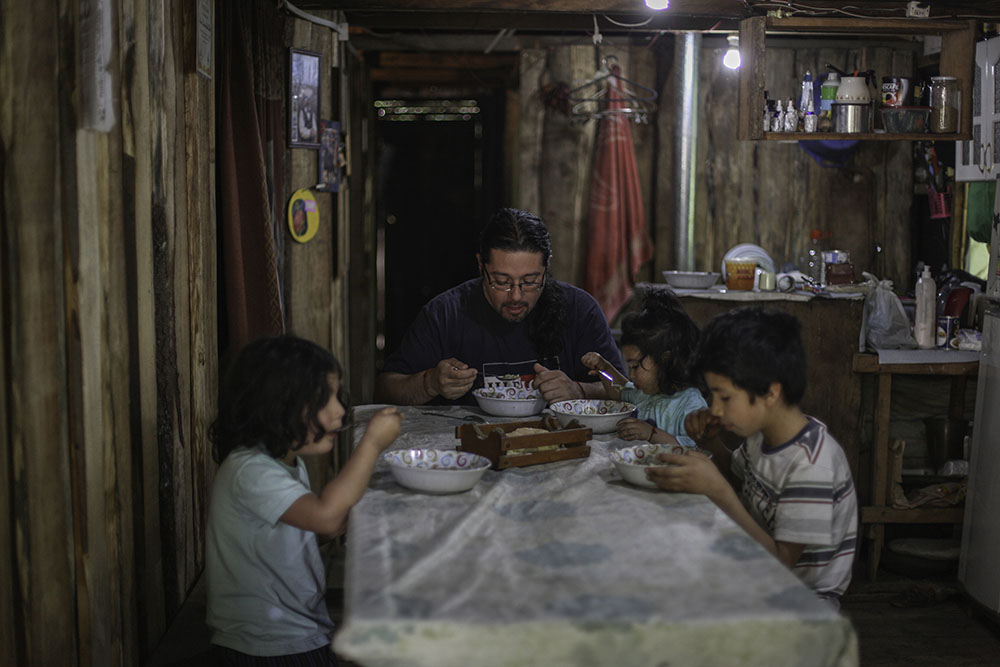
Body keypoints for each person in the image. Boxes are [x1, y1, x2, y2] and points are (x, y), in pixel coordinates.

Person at [205, 335, 403, 665]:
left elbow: (318, 528)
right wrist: (371, 444)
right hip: (267, 648)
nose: (340, 409)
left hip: (296, 630)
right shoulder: (250, 471)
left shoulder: (284, 462)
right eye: (322, 400)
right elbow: (324, 517)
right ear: (275, 405)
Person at [646, 307, 857, 606]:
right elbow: (737, 476)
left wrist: (716, 490)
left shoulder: (812, 466)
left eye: (725, 397)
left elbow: (782, 564)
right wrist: (711, 442)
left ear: (770, 394)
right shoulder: (763, 434)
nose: (715, 409)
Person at [375, 207, 625, 405]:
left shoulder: (580, 310)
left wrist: (579, 390)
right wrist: (430, 383)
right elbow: (385, 388)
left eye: (530, 281)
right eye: (501, 281)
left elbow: (624, 387)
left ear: (546, 267)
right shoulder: (445, 314)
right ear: (480, 266)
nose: (516, 296)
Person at [581, 286, 706, 445]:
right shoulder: (644, 393)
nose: (631, 375)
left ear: (665, 359)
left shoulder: (690, 404)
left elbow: (694, 450)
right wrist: (604, 368)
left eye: (635, 366)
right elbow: (618, 392)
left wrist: (651, 434)